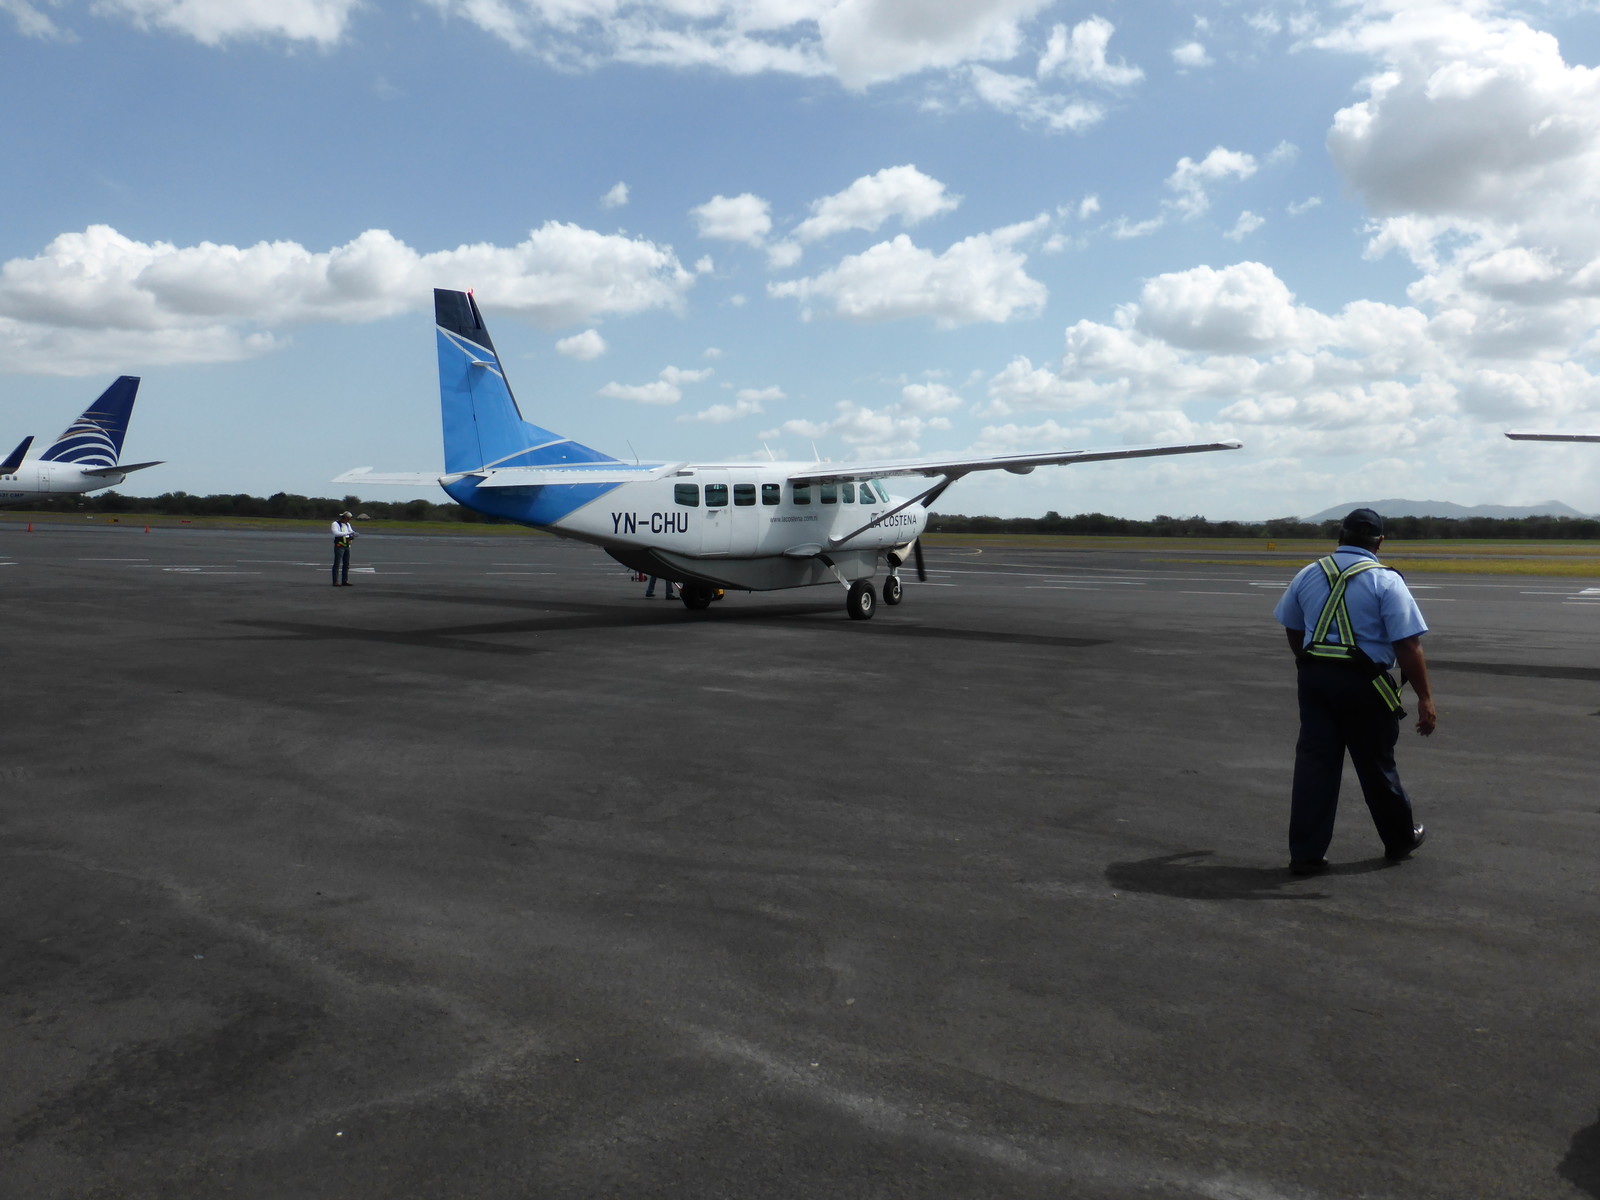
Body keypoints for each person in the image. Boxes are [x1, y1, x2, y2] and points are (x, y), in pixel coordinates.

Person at [1273, 508, 1436, 874]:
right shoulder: (1386, 582)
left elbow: (1292, 626)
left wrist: (1308, 662)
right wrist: (1425, 698)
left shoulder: (1309, 573)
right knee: (1376, 764)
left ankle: (1306, 853)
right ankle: (1399, 839)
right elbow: (1408, 646)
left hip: (1315, 681)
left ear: (1340, 536)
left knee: (1315, 766)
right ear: (1379, 541)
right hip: (1366, 685)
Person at [331, 511, 356, 587]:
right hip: (339, 546)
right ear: (344, 518)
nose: (348, 520)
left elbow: (350, 531)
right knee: (337, 564)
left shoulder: (347, 524)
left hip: (347, 545)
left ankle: (345, 580)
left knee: (346, 564)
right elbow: (336, 533)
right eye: (347, 519)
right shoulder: (335, 524)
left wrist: (353, 534)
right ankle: (335, 581)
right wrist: (348, 534)